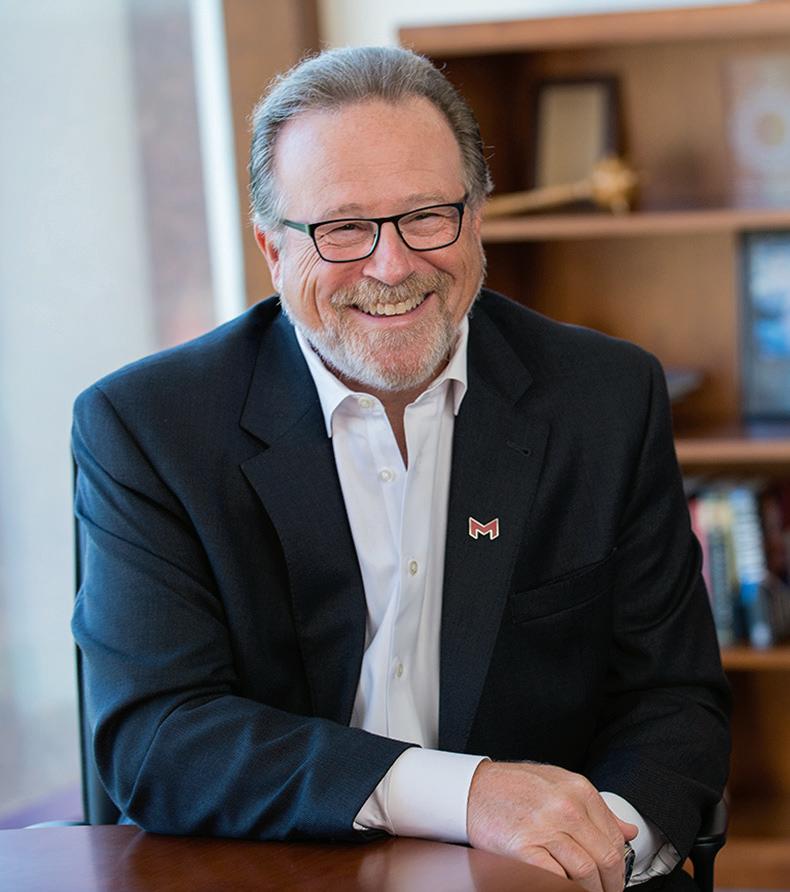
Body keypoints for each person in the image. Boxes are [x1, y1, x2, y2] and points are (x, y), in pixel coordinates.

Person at [72, 46, 729, 892]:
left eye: (427, 216)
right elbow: (156, 737)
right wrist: (466, 795)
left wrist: (599, 855)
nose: (392, 266)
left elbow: (674, 700)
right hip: (276, 874)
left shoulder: (606, 398)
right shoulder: (148, 428)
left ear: (476, 218)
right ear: (273, 249)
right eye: (343, 228)